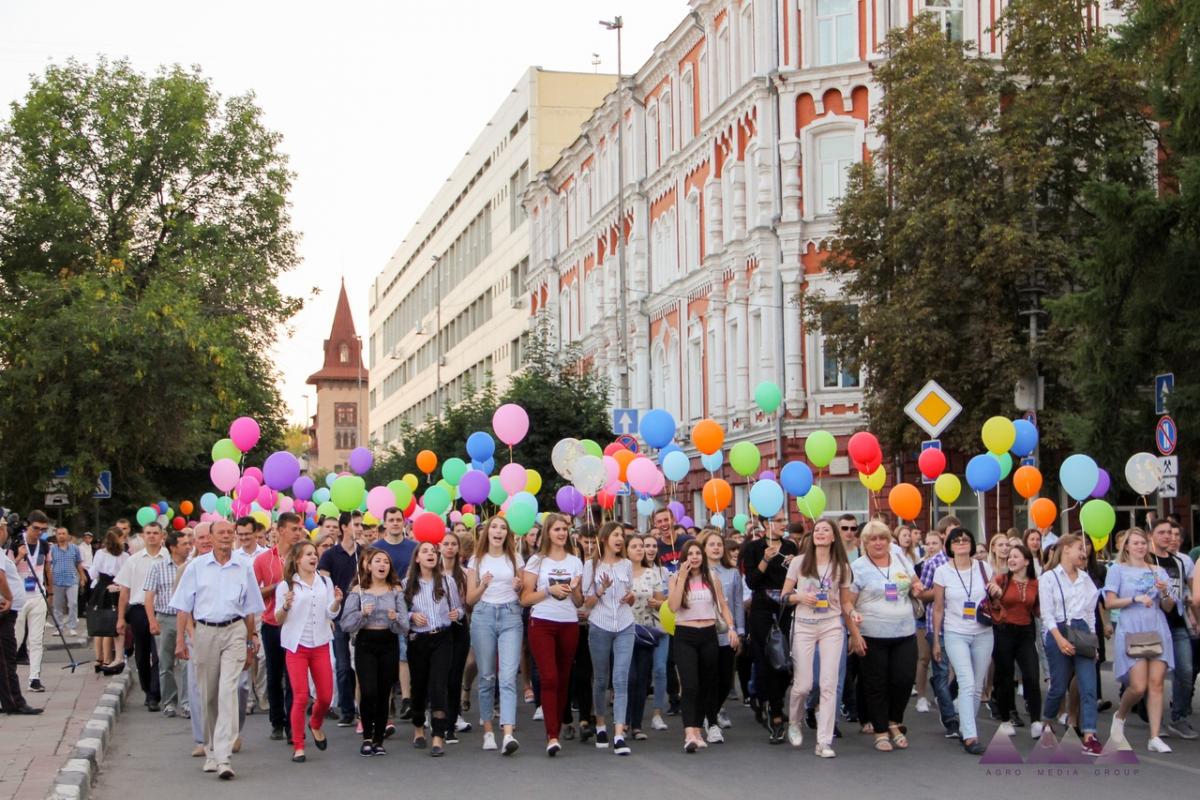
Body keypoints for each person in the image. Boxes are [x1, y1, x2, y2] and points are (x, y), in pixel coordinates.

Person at [170, 519, 264, 779]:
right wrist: (180, 641)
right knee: (208, 693)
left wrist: (250, 639)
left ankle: (224, 757)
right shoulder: (196, 567)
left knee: (227, 691)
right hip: (205, 632)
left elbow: (250, 610)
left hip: (235, 631)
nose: (225, 536)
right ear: (210, 537)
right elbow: (183, 607)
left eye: (229, 532)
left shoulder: (244, 567)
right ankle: (210, 750)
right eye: (220, 532)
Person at [782, 517, 854, 757]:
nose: (821, 533)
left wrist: (854, 613)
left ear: (834, 537)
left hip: (831, 625)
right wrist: (799, 597)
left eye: (826, 530)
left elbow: (845, 602)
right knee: (803, 685)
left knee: (828, 683)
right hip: (803, 625)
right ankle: (794, 721)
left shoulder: (842, 566)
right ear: (812, 537)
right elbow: (783, 596)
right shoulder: (800, 563)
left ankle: (824, 741)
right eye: (817, 530)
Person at [848, 520, 923, 753]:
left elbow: (914, 582)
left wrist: (917, 588)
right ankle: (881, 731)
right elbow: (847, 604)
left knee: (902, 680)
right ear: (865, 543)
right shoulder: (858, 567)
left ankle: (894, 722)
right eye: (873, 539)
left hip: (905, 632)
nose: (879, 543)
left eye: (882, 538)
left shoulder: (901, 559)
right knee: (876, 684)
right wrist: (855, 634)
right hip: (872, 634)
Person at [1106, 528, 1175, 753]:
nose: (1140, 547)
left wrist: (1164, 593)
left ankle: (1154, 736)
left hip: (1156, 628)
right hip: (1131, 629)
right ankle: (1121, 714)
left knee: (1156, 684)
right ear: (1126, 546)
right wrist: (1135, 598)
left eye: (1143, 543)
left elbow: (1168, 607)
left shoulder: (1157, 571)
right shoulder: (1117, 570)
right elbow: (1110, 602)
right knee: (1137, 686)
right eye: (1135, 543)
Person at [667, 539, 739, 752]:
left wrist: (732, 628)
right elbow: (673, 606)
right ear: (684, 557)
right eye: (690, 554)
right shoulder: (675, 578)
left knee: (706, 685)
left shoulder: (712, 578)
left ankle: (698, 729)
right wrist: (681, 577)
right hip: (685, 634)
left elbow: (723, 606)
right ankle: (689, 732)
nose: (695, 557)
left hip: (708, 634)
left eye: (698, 553)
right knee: (690, 684)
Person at [521, 513, 583, 756]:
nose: (561, 533)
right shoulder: (537, 561)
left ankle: (556, 726)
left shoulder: (576, 562)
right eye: (557, 529)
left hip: (568, 623)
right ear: (547, 532)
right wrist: (549, 589)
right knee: (549, 678)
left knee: (564, 679)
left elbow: (578, 602)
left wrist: (575, 590)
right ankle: (552, 734)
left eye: (564, 529)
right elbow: (525, 598)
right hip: (542, 622)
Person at [275, 540, 342, 763]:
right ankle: (298, 745)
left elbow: (331, 613)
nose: (313, 558)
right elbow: (277, 619)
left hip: (321, 643)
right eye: (308, 555)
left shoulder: (325, 581)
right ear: (297, 560)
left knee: (324, 696)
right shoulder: (287, 586)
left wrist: (336, 603)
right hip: (297, 646)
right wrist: (285, 605)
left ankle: (315, 723)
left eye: (315, 554)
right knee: (301, 696)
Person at [932, 527, 997, 755]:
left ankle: (963, 721)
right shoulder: (942, 572)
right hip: (955, 631)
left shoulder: (984, 567)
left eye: (965, 540)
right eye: (957, 540)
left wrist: (996, 590)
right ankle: (970, 736)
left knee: (977, 687)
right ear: (949, 545)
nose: (961, 543)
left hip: (983, 632)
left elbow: (994, 595)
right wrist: (936, 641)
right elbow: (938, 608)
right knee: (967, 682)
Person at [1039, 534, 1103, 756]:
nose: (1083, 553)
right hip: (1058, 630)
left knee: (1088, 685)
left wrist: (1094, 643)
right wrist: (1059, 639)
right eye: (1079, 548)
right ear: (1066, 549)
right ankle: (1047, 721)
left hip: (1082, 631)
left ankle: (1090, 735)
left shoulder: (1085, 579)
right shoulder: (1049, 578)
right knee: (1058, 686)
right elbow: (1046, 614)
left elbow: (1090, 613)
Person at [465, 515, 524, 755]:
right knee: (487, 676)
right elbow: (469, 599)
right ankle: (488, 729)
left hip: (510, 615)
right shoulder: (476, 560)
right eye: (494, 528)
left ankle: (508, 734)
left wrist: (519, 588)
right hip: (484, 616)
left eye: (503, 528)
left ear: (507, 534)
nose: (498, 532)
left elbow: (523, 592)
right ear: (487, 533)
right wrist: (483, 585)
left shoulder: (515, 558)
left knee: (508, 677)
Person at [341, 546, 407, 756]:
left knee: (383, 692)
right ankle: (366, 736)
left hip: (388, 642)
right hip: (366, 642)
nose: (382, 565)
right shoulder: (357, 590)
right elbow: (346, 624)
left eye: (386, 562)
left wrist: (395, 618)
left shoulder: (395, 590)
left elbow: (405, 626)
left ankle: (378, 739)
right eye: (378, 561)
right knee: (368, 690)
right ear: (368, 566)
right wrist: (362, 614)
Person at [742, 512, 799, 742]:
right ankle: (774, 714)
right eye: (779, 520)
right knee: (768, 662)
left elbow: (799, 577)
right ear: (766, 524)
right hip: (762, 612)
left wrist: (792, 565)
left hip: (786, 609)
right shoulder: (753, 548)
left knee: (786, 663)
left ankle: (770, 699)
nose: (784, 523)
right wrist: (765, 560)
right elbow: (752, 582)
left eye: (784, 519)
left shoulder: (791, 546)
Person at [404, 539, 464, 758]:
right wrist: (411, 616)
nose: (431, 554)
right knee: (418, 687)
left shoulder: (447, 582)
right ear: (417, 557)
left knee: (439, 685)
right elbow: (401, 615)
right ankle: (419, 728)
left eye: (433, 551)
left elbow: (459, 608)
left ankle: (438, 735)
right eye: (425, 551)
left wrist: (457, 614)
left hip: (442, 638)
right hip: (418, 641)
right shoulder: (407, 584)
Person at [581, 521, 635, 755]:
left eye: (622, 535)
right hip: (600, 625)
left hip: (625, 624)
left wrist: (630, 597)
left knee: (621, 679)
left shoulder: (627, 565)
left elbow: (630, 594)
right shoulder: (591, 565)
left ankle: (620, 734)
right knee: (601, 679)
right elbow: (587, 603)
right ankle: (601, 724)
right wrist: (600, 590)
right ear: (604, 538)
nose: (620, 539)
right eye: (615, 535)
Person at [254, 512, 304, 741]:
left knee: (294, 675)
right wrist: (279, 586)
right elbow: (254, 593)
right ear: (280, 530)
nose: (298, 533)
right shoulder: (264, 559)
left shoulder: (304, 556)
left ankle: (293, 723)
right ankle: (277, 720)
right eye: (294, 529)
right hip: (272, 623)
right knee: (275, 674)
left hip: (297, 624)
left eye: (300, 529)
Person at [1148, 519, 1197, 739]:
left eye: (1171, 532)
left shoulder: (1179, 561)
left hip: (1176, 623)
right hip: (1152, 624)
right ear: (1152, 535)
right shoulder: (1146, 561)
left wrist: (1194, 619)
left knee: (1186, 670)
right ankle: (1146, 711)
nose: (1168, 536)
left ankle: (1178, 717)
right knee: (1147, 677)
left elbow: (1188, 593)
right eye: (1162, 532)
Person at [115, 520, 168, 710]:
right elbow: (124, 592)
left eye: (156, 532)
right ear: (143, 536)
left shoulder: (168, 558)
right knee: (142, 653)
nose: (152, 536)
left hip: (160, 609)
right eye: (149, 533)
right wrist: (121, 618)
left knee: (159, 653)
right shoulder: (133, 560)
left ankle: (155, 694)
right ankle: (147, 688)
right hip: (138, 611)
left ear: (162, 536)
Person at [991, 543, 1042, 737]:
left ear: (1027, 561)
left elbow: (1037, 609)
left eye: (1016, 556)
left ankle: (1036, 721)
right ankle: (1005, 719)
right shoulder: (1001, 580)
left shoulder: (1035, 583)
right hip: (1003, 631)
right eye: (1010, 556)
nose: (1011, 559)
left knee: (1031, 675)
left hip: (1026, 632)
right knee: (1005, 676)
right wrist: (993, 594)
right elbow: (990, 603)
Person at [918, 515, 962, 738]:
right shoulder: (934, 563)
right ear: (943, 535)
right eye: (952, 532)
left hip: (964, 625)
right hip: (939, 626)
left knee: (962, 674)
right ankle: (950, 720)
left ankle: (943, 690)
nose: (957, 538)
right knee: (943, 671)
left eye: (959, 532)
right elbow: (922, 594)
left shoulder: (968, 561)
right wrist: (939, 591)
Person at [318, 512, 362, 728]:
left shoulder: (365, 553)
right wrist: (330, 612)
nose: (360, 528)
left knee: (361, 665)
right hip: (338, 617)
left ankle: (362, 708)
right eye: (356, 525)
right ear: (344, 527)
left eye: (361, 524)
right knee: (343, 665)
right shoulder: (330, 555)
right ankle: (346, 710)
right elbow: (323, 586)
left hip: (361, 617)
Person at [143, 530, 191, 717]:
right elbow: (149, 597)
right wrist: (152, 621)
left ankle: (187, 703)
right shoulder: (158, 567)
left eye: (189, 543)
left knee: (188, 663)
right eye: (184, 544)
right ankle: (170, 702)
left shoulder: (192, 567)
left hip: (187, 619)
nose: (188, 547)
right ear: (173, 547)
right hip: (165, 617)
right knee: (165, 664)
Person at [376, 506, 417, 721]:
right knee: (385, 655)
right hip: (381, 607)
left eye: (398, 519)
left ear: (404, 522)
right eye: (390, 519)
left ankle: (407, 699)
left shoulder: (413, 547)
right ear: (384, 523)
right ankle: (388, 698)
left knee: (402, 652)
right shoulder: (376, 548)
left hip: (406, 606)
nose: (394, 523)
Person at [702, 531, 744, 737]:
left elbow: (736, 604)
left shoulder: (732, 573)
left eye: (719, 544)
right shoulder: (697, 572)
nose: (716, 548)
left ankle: (713, 710)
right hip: (706, 632)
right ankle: (710, 719)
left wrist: (740, 631)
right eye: (712, 544)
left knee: (726, 680)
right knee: (710, 677)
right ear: (704, 548)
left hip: (727, 633)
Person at [625, 533, 667, 740]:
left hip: (646, 631)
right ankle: (622, 720)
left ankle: (637, 725)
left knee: (642, 678)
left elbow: (661, 601)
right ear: (626, 550)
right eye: (634, 546)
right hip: (624, 631)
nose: (640, 549)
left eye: (641, 546)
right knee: (628, 677)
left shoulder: (652, 573)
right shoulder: (620, 572)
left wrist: (656, 603)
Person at [0, 520, 41, 715]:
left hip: (8, 611)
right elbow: (0, 577)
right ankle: (15, 702)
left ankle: (8, 701)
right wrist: (8, 597)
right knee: (8, 659)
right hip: (4, 612)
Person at [14, 512, 52, 693]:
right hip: (19, 597)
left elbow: (47, 569)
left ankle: (34, 678)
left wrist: (50, 592)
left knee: (36, 640)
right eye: (35, 528)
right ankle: (8, 677)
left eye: (42, 529)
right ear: (27, 525)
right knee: (15, 638)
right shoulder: (15, 543)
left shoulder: (44, 545)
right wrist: (19, 557)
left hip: (38, 594)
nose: (38, 532)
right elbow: (5, 569)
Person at [439, 531, 472, 742]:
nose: (450, 547)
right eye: (446, 544)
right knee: (439, 676)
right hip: (438, 630)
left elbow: (469, 604)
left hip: (459, 628)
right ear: (439, 546)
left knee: (454, 677)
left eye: (454, 544)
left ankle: (451, 723)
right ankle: (437, 717)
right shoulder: (431, 571)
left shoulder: (466, 574)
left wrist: (459, 611)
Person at [88, 528, 129, 673]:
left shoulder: (100, 553)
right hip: (116, 588)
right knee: (110, 625)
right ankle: (107, 659)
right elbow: (126, 574)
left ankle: (98, 659)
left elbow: (93, 573)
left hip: (101, 588)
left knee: (100, 623)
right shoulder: (124, 556)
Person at [913, 530, 943, 715]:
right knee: (923, 658)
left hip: (946, 618)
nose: (931, 547)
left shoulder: (947, 562)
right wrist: (937, 592)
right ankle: (922, 697)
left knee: (942, 662)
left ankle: (942, 694)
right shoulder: (922, 565)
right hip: (925, 618)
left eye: (935, 543)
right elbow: (920, 593)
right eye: (928, 543)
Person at [49, 525, 86, 639]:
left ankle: (72, 627)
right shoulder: (52, 549)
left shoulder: (74, 548)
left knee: (73, 603)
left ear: (68, 535)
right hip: (57, 580)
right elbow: (48, 565)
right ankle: (59, 627)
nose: (61, 536)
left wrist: (82, 576)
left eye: (63, 533)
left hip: (72, 579)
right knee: (57, 605)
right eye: (59, 534)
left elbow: (78, 563)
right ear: (56, 536)